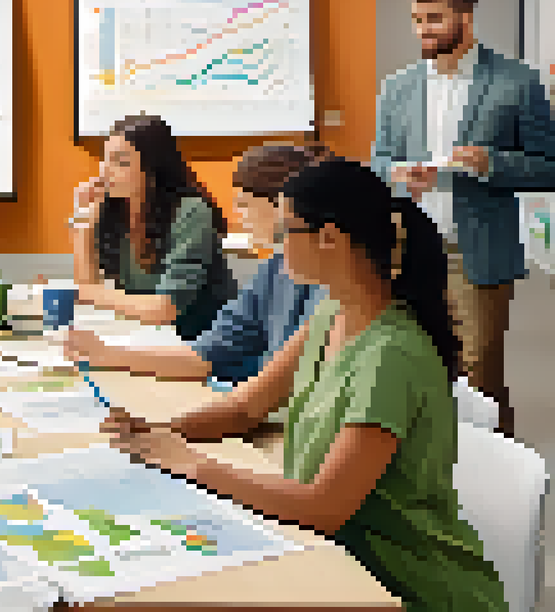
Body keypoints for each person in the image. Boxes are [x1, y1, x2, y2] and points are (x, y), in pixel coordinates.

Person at [104, 158, 506, 612]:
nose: (277, 248)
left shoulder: (390, 355)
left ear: (329, 238)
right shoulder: (331, 314)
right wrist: (160, 432)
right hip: (335, 553)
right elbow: (244, 409)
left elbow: (324, 505)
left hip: (401, 583)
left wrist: (192, 464)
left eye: (285, 232)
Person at [372, 0, 555, 437]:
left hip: (478, 248)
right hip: (409, 246)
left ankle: (493, 479)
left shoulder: (517, 82)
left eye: (434, 19)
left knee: (478, 373)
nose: (423, 30)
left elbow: (549, 165)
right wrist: (396, 173)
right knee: (412, 361)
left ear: (465, 17)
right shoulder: (398, 87)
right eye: (416, 19)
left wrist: (490, 162)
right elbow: (378, 159)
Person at [64, 144, 329, 382]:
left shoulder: (327, 285)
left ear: (284, 205)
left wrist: (84, 296)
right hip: (240, 393)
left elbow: (281, 383)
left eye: (244, 203)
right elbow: (206, 353)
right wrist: (109, 355)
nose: (103, 174)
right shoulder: (273, 269)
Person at [60, 113, 237, 340]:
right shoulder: (111, 210)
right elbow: (87, 285)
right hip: (144, 337)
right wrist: (83, 221)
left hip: (199, 343)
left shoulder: (191, 212)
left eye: (120, 162)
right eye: (105, 159)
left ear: (153, 170)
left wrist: (91, 293)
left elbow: (165, 308)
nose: (105, 172)